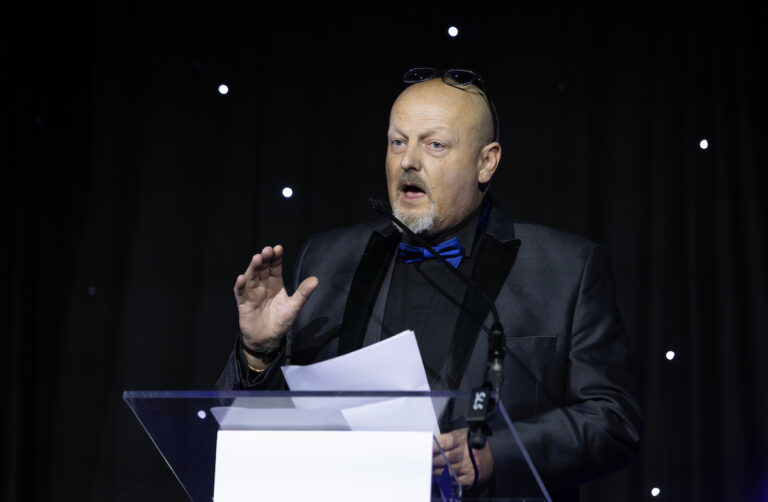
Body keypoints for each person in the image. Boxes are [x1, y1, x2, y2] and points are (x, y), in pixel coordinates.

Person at [216, 68, 642, 501]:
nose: (408, 161)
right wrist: (259, 351)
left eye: (434, 144)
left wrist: (497, 454)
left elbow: (613, 421)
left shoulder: (565, 268)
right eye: (398, 142)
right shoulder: (326, 259)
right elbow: (250, 429)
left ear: (486, 161)